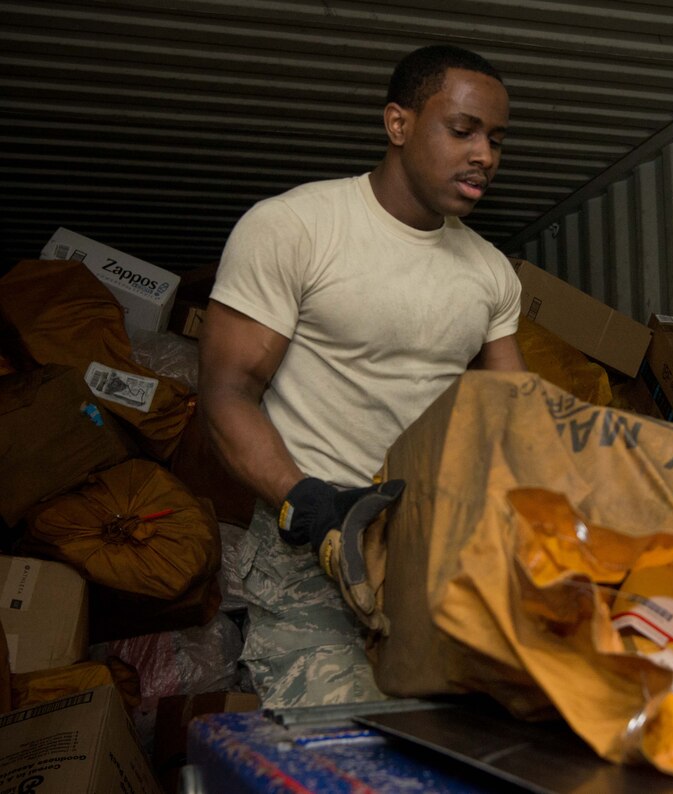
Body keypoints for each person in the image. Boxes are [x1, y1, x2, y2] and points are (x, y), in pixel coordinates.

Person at [198, 44, 525, 708]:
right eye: (462, 130)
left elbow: (515, 416)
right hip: (309, 543)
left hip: (426, 550)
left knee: (451, 746)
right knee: (346, 748)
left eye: (495, 138)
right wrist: (306, 502)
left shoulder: (492, 273)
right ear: (398, 124)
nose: (484, 154)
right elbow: (227, 393)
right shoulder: (295, 228)